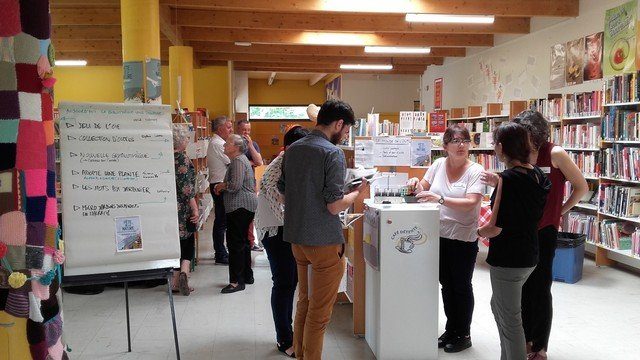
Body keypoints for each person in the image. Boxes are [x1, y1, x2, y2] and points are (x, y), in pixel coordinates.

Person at [277, 99, 366, 360]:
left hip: (297, 239)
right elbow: (333, 206)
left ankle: (302, 354)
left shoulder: (293, 149)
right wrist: (355, 193)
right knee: (320, 314)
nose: (346, 135)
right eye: (347, 130)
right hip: (324, 242)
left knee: (304, 302)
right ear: (338, 124)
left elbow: (282, 193)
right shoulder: (331, 153)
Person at [513, 110, 588, 360]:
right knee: (522, 287)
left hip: (545, 229)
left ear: (538, 135)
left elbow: (581, 187)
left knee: (541, 287)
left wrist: (560, 211)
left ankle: (540, 347)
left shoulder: (555, 153)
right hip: (521, 228)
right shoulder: (519, 152)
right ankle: (525, 339)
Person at [407, 124, 484, 353]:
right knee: (446, 285)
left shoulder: (476, 170)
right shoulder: (438, 164)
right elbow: (425, 188)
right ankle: (451, 329)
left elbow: (471, 202)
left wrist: (439, 200)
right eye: (455, 141)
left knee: (461, 285)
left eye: (465, 141)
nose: (461, 145)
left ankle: (464, 333)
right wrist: (415, 183)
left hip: (463, 236)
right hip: (437, 233)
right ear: (446, 146)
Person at [478, 122, 551, 360]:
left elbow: (494, 228)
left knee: (510, 321)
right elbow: (523, 203)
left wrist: (475, 231)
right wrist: (498, 183)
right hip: (530, 253)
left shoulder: (508, 179)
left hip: (508, 258)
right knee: (498, 306)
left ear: (500, 147)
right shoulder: (537, 174)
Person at [255, 125, 310, 358]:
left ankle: (290, 334)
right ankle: (284, 338)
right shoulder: (278, 168)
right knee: (285, 283)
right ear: (290, 148)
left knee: (290, 283)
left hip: (284, 230)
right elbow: (281, 206)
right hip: (276, 232)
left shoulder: (289, 163)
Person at [214, 134, 258, 294]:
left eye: (229, 143)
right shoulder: (238, 160)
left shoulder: (238, 161)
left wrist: (221, 186)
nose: (225, 144)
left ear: (237, 147)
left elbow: (235, 185)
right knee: (243, 242)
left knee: (235, 244)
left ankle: (236, 281)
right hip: (244, 206)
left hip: (240, 206)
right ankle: (246, 275)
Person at [171, 125, 199, 296]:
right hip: (183, 207)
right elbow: (186, 189)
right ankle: (184, 273)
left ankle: (174, 283)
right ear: (181, 140)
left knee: (174, 243)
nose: (188, 141)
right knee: (187, 240)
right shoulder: (182, 159)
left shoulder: (165, 157)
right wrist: (195, 209)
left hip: (168, 207)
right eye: (187, 138)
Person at [207, 116, 232, 264]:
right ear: (220, 128)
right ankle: (220, 254)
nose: (231, 130)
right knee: (221, 221)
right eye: (228, 127)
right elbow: (231, 160)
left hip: (219, 184)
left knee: (222, 220)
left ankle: (221, 251)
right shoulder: (218, 144)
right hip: (219, 185)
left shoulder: (219, 142)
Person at [236, 119, 264, 252]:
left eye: (248, 130)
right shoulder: (233, 144)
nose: (246, 133)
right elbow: (234, 162)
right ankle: (241, 242)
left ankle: (251, 242)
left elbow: (259, 162)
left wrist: (251, 145)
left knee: (250, 214)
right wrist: (249, 163)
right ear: (238, 130)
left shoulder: (253, 144)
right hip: (236, 184)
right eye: (243, 130)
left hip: (250, 184)